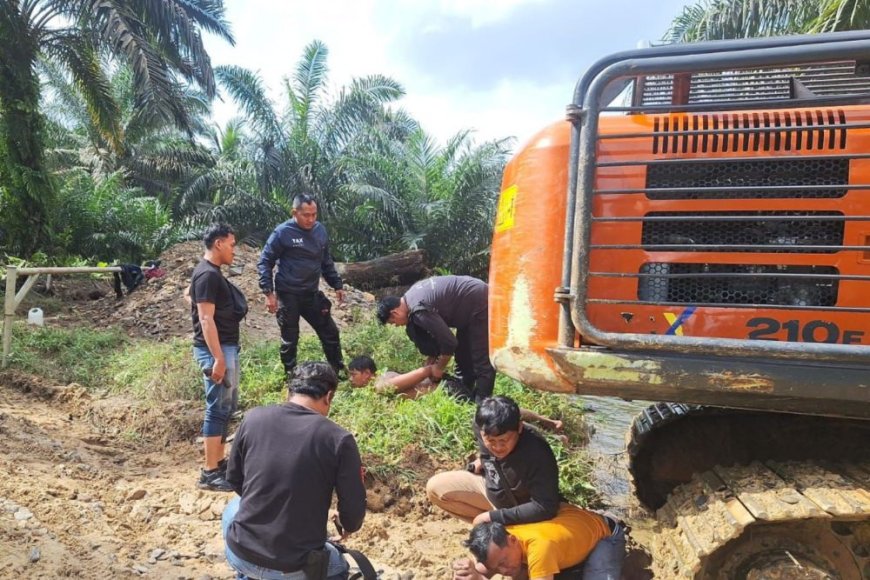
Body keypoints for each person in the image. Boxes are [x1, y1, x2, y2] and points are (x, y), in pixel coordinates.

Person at [222, 362, 366, 580]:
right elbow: (353, 513)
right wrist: (345, 523)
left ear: (289, 391)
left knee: (233, 508)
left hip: (241, 554)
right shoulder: (338, 439)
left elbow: (234, 478)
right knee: (338, 565)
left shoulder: (253, 418)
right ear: (328, 397)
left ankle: (249, 575)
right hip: (294, 567)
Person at [347, 356, 567, 442]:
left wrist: (426, 369)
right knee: (496, 410)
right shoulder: (386, 376)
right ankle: (550, 423)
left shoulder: (381, 380)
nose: (350, 379)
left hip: (447, 393)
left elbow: (388, 387)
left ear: (366, 372)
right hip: (447, 389)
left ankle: (553, 438)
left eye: (353, 374)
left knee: (491, 418)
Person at [427, 396, 565, 525]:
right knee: (436, 487)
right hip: (493, 492)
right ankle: (497, 527)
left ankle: (503, 526)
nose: (497, 448)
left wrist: (493, 517)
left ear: (520, 427)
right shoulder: (480, 426)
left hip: (524, 508)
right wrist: (483, 459)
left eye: (504, 440)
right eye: (490, 441)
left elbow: (545, 507)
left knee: (493, 522)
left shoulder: (538, 452)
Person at [258, 193, 346, 378]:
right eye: (306, 215)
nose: (311, 219)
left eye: (314, 214)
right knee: (290, 339)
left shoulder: (319, 231)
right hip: (288, 293)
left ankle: (337, 371)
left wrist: (336, 284)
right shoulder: (282, 232)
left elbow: (326, 260)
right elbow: (265, 261)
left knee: (330, 332)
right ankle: (290, 376)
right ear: (294, 212)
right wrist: (268, 293)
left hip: (311, 293)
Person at [377, 275, 494, 403]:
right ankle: (466, 395)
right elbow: (438, 340)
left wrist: (439, 368)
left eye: (393, 322)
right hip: (468, 303)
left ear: (395, 313)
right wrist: (431, 363)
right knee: (463, 356)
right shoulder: (410, 297)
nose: (397, 325)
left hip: (478, 300)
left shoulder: (418, 310)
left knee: (480, 358)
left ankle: (482, 403)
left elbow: (449, 343)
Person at [189, 223, 244, 492]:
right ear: (219, 243)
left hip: (225, 347)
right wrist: (218, 359)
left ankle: (218, 463)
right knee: (217, 407)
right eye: (232, 244)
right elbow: (205, 319)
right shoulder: (207, 275)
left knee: (225, 407)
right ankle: (209, 472)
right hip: (217, 350)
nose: (235, 250)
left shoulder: (211, 274)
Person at [452, 507, 625, 580]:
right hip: (572, 521)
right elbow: (485, 568)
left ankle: (609, 518)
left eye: (503, 563)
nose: (504, 571)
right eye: (498, 567)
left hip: (605, 534)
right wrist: (470, 571)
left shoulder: (540, 548)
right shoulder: (501, 539)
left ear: (512, 540)